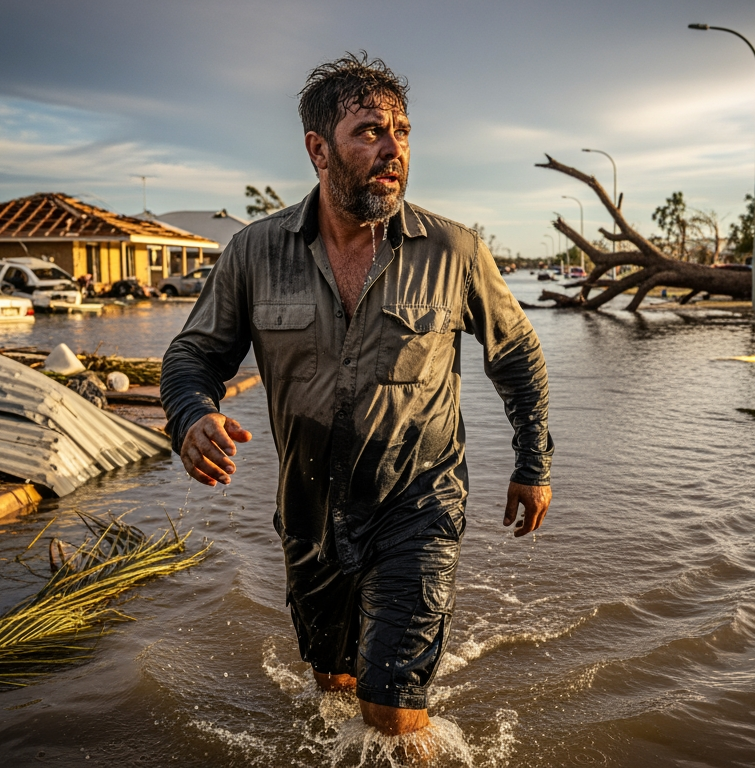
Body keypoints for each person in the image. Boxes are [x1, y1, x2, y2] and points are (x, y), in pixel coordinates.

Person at [159, 52, 553, 746]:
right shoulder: (254, 253)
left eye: (402, 131)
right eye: (369, 131)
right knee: (334, 685)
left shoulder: (452, 250)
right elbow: (193, 356)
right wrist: (193, 416)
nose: (392, 148)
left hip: (417, 503)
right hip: (308, 511)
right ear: (318, 149)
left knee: (391, 710)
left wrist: (533, 463)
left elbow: (516, 354)